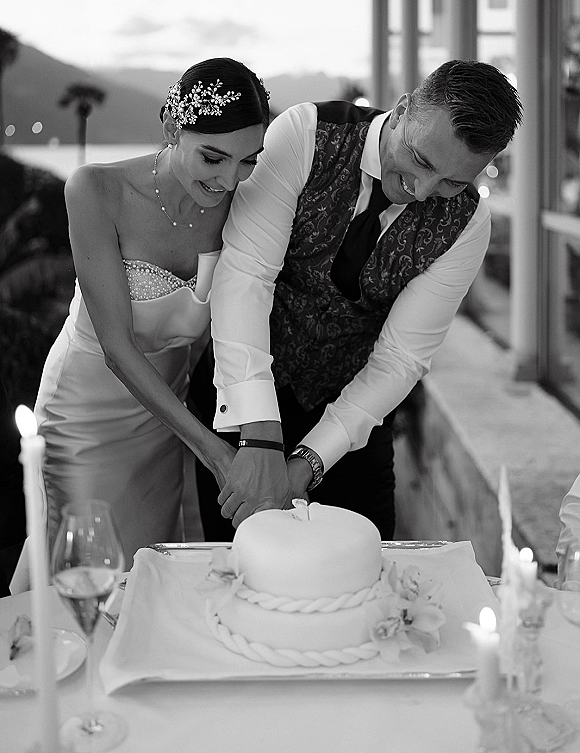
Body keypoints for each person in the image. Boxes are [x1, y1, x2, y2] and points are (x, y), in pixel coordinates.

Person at [200, 59, 522, 539]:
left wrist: (306, 462)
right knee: (236, 579)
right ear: (404, 108)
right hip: (239, 393)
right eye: (422, 161)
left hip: (352, 418)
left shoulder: (469, 224)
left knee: (371, 583)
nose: (424, 191)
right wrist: (261, 435)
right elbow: (246, 275)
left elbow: (401, 358)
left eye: (454, 182)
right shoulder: (305, 134)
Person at [17, 57, 270, 573]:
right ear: (172, 126)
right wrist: (215, 452)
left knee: (145, 573)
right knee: (82, 568)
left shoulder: (242, 206)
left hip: (164, 419)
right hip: (86, 411)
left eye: (248, 161)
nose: (228, 179)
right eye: (213, 158)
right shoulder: (95, 191)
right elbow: (116, 347)